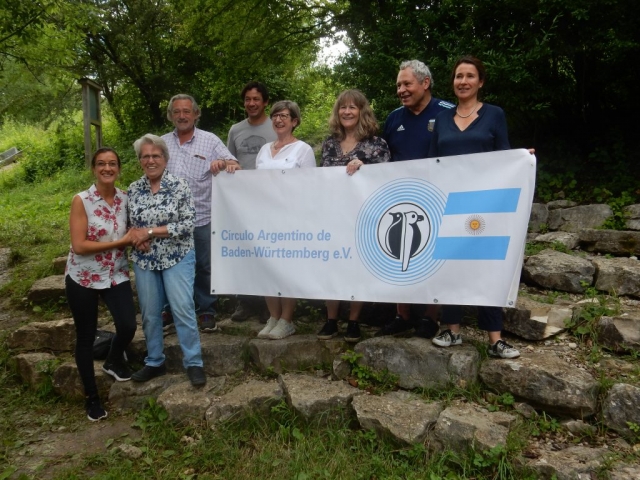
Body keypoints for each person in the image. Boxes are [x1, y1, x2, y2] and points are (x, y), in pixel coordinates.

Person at [428, 55, 520, 359]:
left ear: (480, 82)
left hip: (486, 206)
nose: (463, 81)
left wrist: (523, 161)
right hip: (449, 205)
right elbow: (431, 162)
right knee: (450, 265)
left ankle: (495, 339)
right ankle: (452, 330)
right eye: (458, 76)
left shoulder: (494, 114)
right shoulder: (441, 119)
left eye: (469, 76)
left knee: (487, 268)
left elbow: (505, 157)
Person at [377, 59, 455, 339]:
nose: (401, 90)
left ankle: (430, 316)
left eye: (407, 83)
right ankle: (402, 314)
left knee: (433, 255)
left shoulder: (448, 112)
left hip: (438, 198)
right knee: (399, 254)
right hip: (400, 200)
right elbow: (382, 158)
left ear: (425, 83)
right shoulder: (393, 118)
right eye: (398, 85)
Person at [127, 134, 208, 386]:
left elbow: (187, 224)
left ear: (165, 158)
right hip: (145, 259)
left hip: (177, 255)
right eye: (145, 156)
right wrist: (136, 236)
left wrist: (150, 232)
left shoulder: (179, 185)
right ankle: (155, 361)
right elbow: (129, 223)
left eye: (156, 155)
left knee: (182, 308)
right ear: (140, 160)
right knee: (150, 313)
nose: (151, 160)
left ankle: (193, 362)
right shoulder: (133, 189)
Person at [65, 147, 137, 421]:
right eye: (101, 164)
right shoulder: (81, 201)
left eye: (112, 163)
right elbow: (79, 245)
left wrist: (138, 238)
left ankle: (113, 360)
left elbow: (134, 231)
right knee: (85, 336)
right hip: (83, 276)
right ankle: (92, 398)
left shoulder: (125, 199)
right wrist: (122, 242)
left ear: (119, 168)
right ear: (94, 169)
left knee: (128, 325)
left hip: (115, 274)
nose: (107, 168)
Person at [316, 89, 390, 342]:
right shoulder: (329, 143)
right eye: (342, 107)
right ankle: (331, 320)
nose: (346, 112)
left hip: (363, 218)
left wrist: (365, 168)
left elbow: (385, 179)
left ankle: (354, 321)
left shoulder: (377, 144)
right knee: (331, 266)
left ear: (362, 111)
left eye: (352, 107)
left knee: (357, 267)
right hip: (332, 215)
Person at [161, 94, 239, 333]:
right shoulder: (161, 143)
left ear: (196, 114)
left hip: (202, 217)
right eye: (177, 112)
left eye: (187, 111)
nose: (182, 116)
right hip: (169, 221)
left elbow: (234, 164)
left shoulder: (210, 140)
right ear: (170, 116)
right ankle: (170, 309)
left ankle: (206, 310)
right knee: (170, 264)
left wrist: (223, 164)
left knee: (204, 266)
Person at [254, 100, 316, 340]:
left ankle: (287, 320)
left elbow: (310, 186)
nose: (278, 120)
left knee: (288, 269)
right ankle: (273, 317)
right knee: (267, 267)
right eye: (275, 116)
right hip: (264, 217)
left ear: (294, 121)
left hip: (291, 218)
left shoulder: (303, 149)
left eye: (284, 116)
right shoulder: (264, 149)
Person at [227, 81, 276, 322]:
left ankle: (269, 304)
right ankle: (245, 301)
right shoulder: (235, 130)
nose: (252, 103)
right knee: (243, 251)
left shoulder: (275, 126)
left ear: (265, 102)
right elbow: (229, 160)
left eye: (256, 99)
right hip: (242, 201)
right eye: (248, 99)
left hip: (270, 200)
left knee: (267, 251)